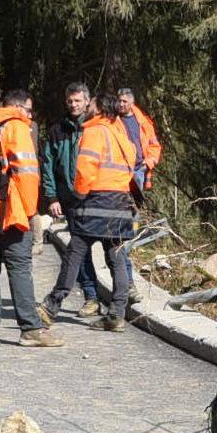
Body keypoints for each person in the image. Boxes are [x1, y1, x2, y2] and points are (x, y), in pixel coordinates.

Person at [0, 89, 63, 348]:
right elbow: (27, 174)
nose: (31, 115)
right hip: (11, 212)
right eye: (29, 109)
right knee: (19, 268)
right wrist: (30, 213)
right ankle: (30, 329)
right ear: (18, 108)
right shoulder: (17, 128)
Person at [44, 91, 137, 331]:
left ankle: (51, 306)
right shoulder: (121, 134)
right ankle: (116, 314)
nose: (86, 107)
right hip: (121, 203)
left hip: (96, 202)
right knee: (117, 258)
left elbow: (85, 171)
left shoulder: (94, 132)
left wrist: (76, 197)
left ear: (99, 109)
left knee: (75, 253)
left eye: (90, 104)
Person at [40, 81, 104, 315]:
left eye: (78, 100)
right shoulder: (57, 130)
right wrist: (52, 197)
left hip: (95, 197)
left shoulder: (96, 127)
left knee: (108, 249)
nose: (74, 105)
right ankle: (91, 297)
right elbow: (48, 165)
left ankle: (116, 300)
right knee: (79, 248)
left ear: (88, 101)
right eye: (70, 101)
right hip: (69, 199)